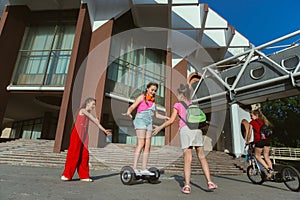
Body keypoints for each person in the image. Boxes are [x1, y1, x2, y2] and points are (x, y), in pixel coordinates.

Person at [153, 84, 218, 194]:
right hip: (197, 130)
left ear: (180, 94)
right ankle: (210, 182)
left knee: (187, 160)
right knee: (202, 157)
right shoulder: (193, 105)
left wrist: (159, 127)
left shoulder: (178, 104)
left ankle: (187, 186)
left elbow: (171, 120)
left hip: (186, 130)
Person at [123, 82, 169, 176]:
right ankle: (134, 168)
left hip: (149, 122)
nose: (153, 92)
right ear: (147, 88)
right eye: (152, 90)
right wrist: (128, 112)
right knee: (141, 144)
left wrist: (166, 118)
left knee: (148, 145)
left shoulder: (153, 102)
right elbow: (132, 106)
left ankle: (144, 168)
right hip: (140, 120)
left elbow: (156, 115)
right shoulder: (142, 97)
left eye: (155, 91)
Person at [61, 97, 111, 182]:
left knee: (84, 155)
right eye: (93, 104)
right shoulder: (82, 110)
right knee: (74, 153)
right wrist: (95, 119)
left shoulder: (88, 114)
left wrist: (104, 130)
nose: (94, 106)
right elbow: (92, 117)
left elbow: (96, 123)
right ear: (88, 103)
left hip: (84, 136)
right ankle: (67, 175)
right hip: (77, 134)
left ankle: (84, 176)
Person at [249, 109, 275, 178]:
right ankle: (272, 172)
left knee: (257, 156)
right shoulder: (264, 121)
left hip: (259, 141)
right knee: (266, 156)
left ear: (256, 115)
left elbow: (249, 133)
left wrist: (247, 141)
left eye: (252, 116)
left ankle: (268, 169)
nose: (251, 117)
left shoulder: (252, 122)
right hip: (267, 140)